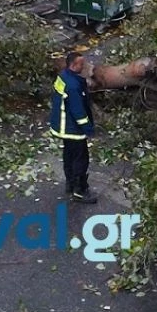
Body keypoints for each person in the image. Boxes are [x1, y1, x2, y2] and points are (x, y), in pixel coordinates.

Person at [49, 51, 97, 204]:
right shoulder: (74, 86)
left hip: (63, 126)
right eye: (81, 64)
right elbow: (78, 111)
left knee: (69, 156)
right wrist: (88, 128)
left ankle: (70, 184)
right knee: (80, 159)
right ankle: (80, 191)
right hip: (72, 129)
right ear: (74, 65)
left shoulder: (63, 76)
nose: (84, 66)